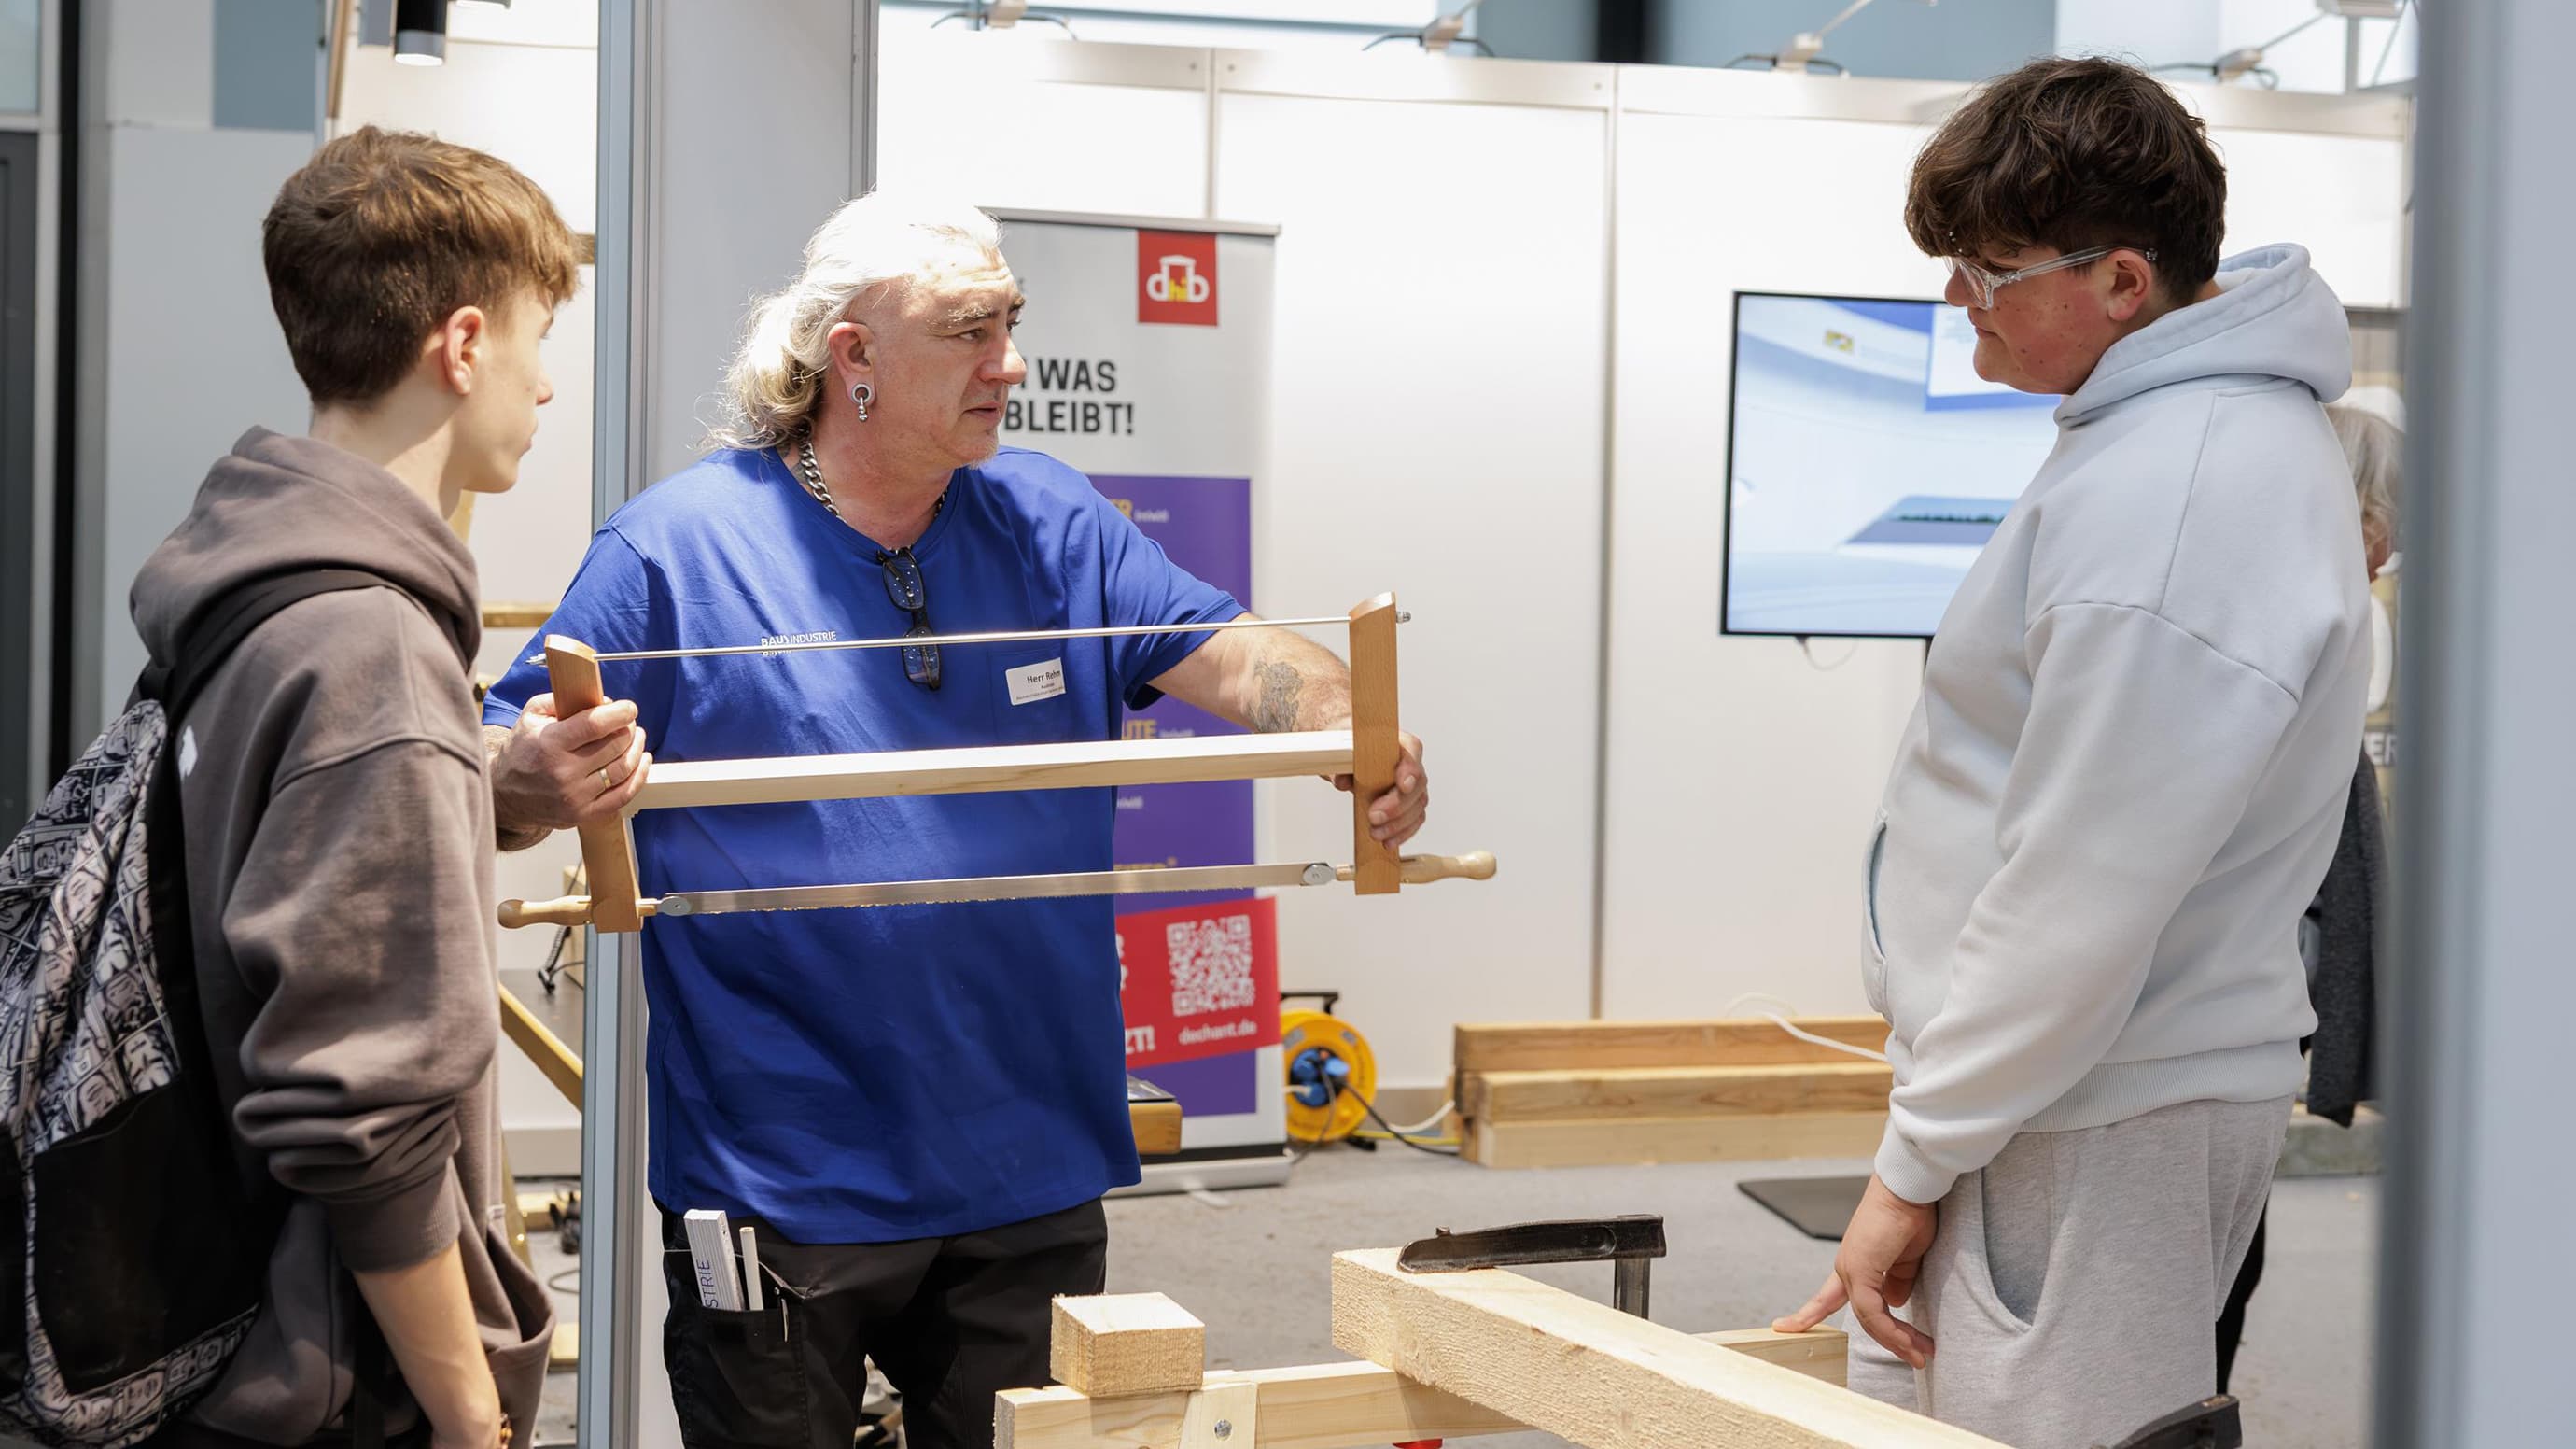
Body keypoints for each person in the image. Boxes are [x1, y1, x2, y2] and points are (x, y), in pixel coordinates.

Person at [479, 193, 1430, 1449]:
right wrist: (534, 778)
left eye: (1011, 323)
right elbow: (496, 765)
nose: (1011, 364)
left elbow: (1233, 654)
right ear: (852, 354)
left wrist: (1345, 724)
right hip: (786, 1172)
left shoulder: (1053, 520)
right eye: (969, 331)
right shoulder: (676, 550)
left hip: (1026, 1150)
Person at [1771, 57, 2371, 1447]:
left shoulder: (2182, 491)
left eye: (1987, 270)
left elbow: (2078, 895)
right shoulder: (2172, 439)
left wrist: (1913, 1165)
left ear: (2121, 282)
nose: (1955, 302)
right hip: (2067, 1090)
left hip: (2093, 1099)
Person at [127, 127, 573, 1448]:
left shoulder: (250, 586)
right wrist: (470, 1415)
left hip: (195, 1320)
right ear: (465, 344)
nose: (546, 389)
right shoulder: (373, 647)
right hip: (326, 1380)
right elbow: (360, 1121)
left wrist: (488, 790)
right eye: (540, 340)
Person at [2213, 400, 2401, 1391]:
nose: (2385, 556)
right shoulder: (2262, 630)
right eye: (2384, 527)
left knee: (2229, 1264)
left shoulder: (2309, 620)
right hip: (2214, 1017)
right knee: (2207, 1276)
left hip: (2247, 1017)